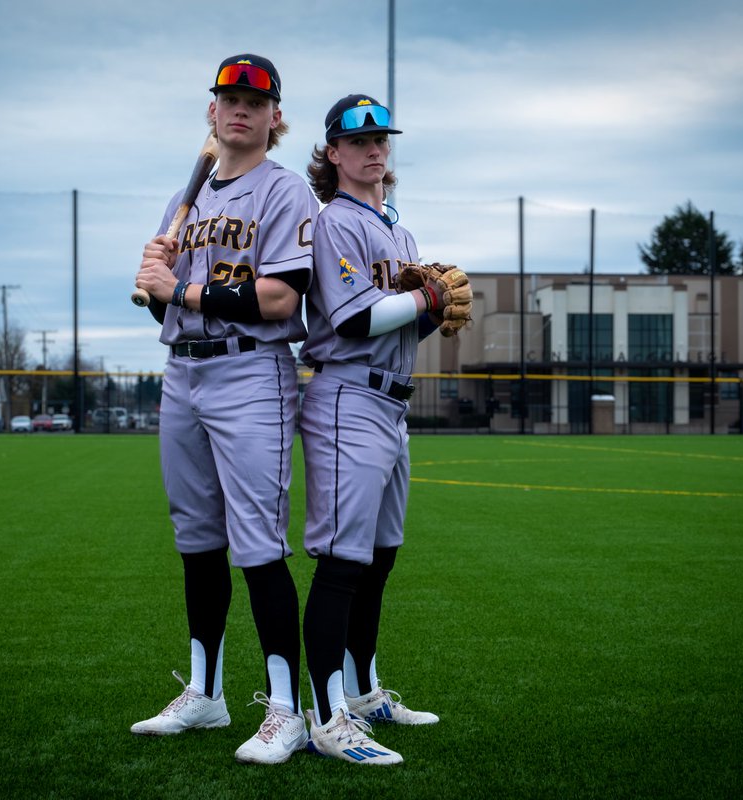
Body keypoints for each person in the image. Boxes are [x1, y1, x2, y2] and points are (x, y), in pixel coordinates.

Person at [130, 54, 315, 765]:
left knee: (259, 543)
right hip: (183, 371)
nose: (241, 108)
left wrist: (176, 290)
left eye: (255, 101)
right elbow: (165, 311)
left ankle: (285, 711)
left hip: (250, 372)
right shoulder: (188, 198)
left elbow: (279, 297)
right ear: (212, 110)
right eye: (229, 97)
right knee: (196, 539)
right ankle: (205, 694)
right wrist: (156, 281)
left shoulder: (286, 191)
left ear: (274, 117)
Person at [298, 94, 442, 766]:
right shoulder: (335, 222)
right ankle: (327, 718)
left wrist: (433, 311)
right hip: (347, 398)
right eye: (357, 141)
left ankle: (362, 694)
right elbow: (356, 319)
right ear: (333, 153)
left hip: (391, 403)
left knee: (380, 557)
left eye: (381, 138)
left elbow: (403, 324)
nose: (373, 149)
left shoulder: (398, 232)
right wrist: (425, 297)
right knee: (342, 562)